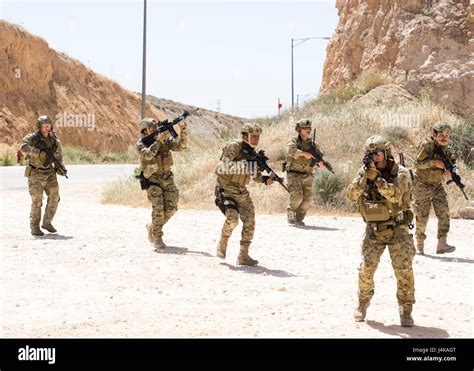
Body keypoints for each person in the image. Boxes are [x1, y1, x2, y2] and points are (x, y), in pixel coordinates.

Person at [347, 135, 416, 327]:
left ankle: (406, 309)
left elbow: (397, 197)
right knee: (366, 269)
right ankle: (362, 304)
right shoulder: (364, 172)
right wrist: (363, 180)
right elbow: (351, 194)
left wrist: (377, 180)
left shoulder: (400, 172)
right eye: (371, 154)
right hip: (374, 229)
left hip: (397, 228)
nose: (375, 157)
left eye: (377, 153)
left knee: (403, 271)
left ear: (386, 152)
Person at [215, 122, 273, 266]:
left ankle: (243, 255)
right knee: (233, 218)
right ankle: (223, 242)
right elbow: (223, 167)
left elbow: (255, 175)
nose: (256, 139)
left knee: (250, 220)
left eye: (258, 136)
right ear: (245, 135)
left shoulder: (252, 152)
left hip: (241, 190)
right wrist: (247, 164)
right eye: (253, 136)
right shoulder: (234, 146)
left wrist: (265, 179)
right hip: (226, 188)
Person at [136, 117, 187, 250]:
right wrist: (158, 140)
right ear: (144, 130)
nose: (154, 130)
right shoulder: (141, 143)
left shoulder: (164, 140)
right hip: (152, 180)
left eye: (155, 127)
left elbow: (181, 146)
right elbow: (147, 155)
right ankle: (157, 237)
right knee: (158, 209)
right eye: (151, 128)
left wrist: (183, 131)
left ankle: (152, 227)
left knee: (171, 208)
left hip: (167, 178)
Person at [413, 121, 457, 255]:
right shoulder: (426, 145)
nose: (444, 138)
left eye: (447, 136)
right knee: (422, 216)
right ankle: (420, 245)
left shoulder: (445, 148)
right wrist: (434, 163)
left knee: (444, 212)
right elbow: (417, 164)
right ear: (434, 134)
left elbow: (452, 162)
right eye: (442, 135)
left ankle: (442, 244)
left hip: (437, 185)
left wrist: (451, 171)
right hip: (422, 184)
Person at [19, 115, 67, 236]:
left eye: (48, 126)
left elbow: (58, 156)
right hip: (35, 172)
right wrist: (38, 153)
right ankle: (34, 227)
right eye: (44, 126)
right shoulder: (32, 138)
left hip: (49, 172)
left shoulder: (54, 140)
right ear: (39, 127)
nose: (47, 128)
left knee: (55, 198)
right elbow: (23, 147)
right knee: (37, 201)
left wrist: (60, 167)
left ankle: (47, 222)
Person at [285, 119, 326, 225]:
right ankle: (291, 213)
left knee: (308, 199)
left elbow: (317, 159)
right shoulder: (293, 141)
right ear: (299, 129)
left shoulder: (313, 144)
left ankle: (299, 218)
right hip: (293, 173)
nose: (308, 130)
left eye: (309, 128)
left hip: (307, 173)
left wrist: (320, 163)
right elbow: (291, 151)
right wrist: (303, 153)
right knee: (297, 197)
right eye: (305, 128)